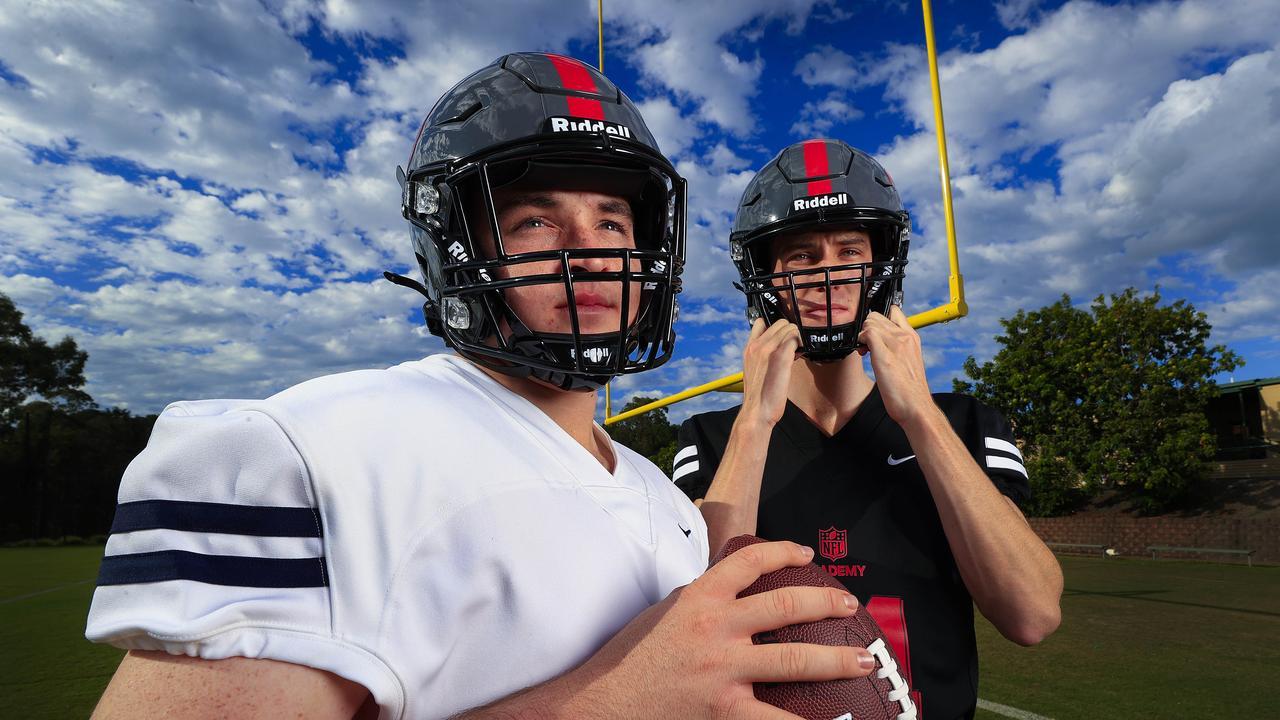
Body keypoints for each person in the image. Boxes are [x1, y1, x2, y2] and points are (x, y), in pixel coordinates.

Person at [84, 55, 878, 719]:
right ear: (455, 247)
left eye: (612, 220)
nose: (592, 251)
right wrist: (608, 703)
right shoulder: (309, 454)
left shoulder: (657, 496)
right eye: (534, 219)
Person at [673, 139, 1064, 720]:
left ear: (880, 268)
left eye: (849, 249)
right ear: (768, 281)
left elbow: (1031, 615)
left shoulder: (962, 422)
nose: (829, 272)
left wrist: (919, 415)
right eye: (803, 257)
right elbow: (691, 618)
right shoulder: (711, 436)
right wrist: (756, 419)